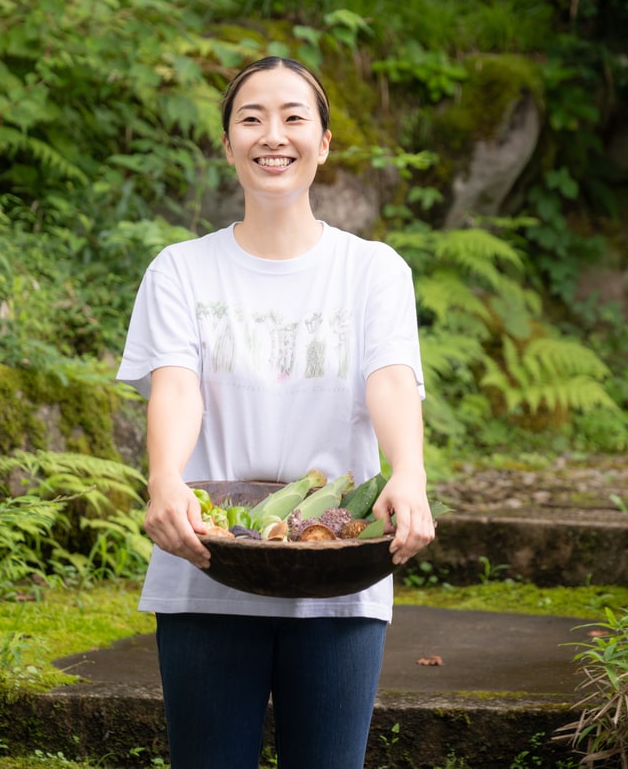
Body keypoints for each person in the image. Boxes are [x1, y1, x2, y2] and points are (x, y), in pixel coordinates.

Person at [116, 55, 435, 769]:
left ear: (324, 142)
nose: (273, 134)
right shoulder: (181, 268)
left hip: (340, 579)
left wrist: (407, 472)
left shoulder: (373, 269)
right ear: (227, 144)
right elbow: (178, 386)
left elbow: (390, 379)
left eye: (294, 117)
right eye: (251, 118)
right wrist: (165, 476)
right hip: (206, 566)